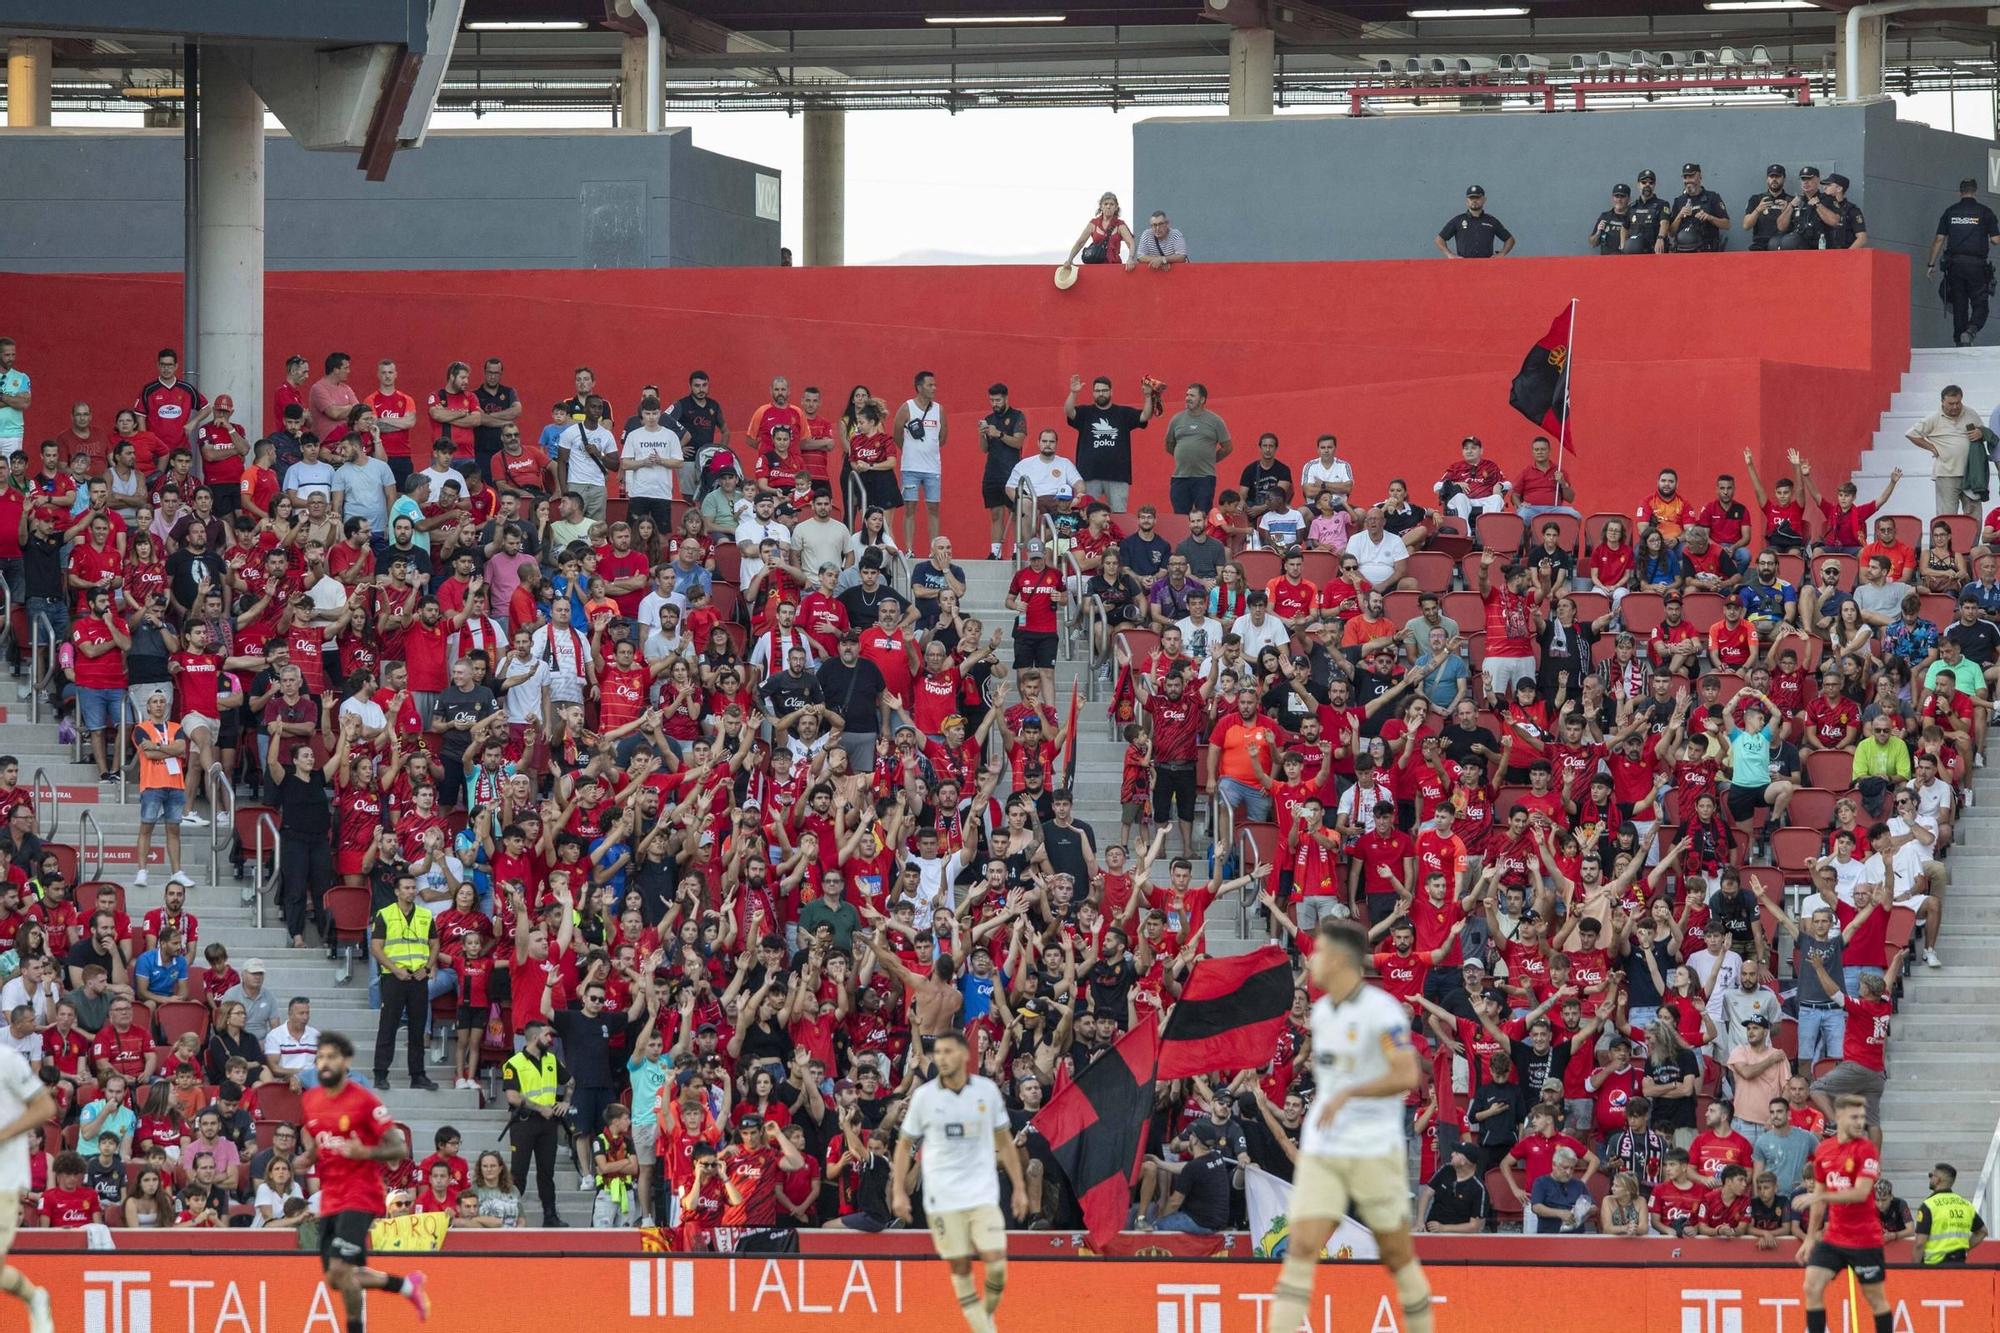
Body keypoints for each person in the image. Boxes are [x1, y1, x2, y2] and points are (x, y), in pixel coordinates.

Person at [1264, 919, 1433, 1333]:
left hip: (1374, 1147)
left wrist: (1349, 1094)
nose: (1311, 958)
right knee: (1301, 1246)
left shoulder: (1383, 1013)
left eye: (1319, 951)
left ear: (1339, 959)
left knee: (1396, 1253)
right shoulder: (1321, 1013)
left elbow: (1407, 1072)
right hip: (1326, 1148)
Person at [892, 1030, 1028, 1333]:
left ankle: (983, 1317)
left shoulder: (986, 1093)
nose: (942, 1058)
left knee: (996, 1267)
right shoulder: (925, 1097)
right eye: (938, 1053)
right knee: (961, 1266)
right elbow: (903, 1145)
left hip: (982, 1194)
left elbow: (1005, 1143)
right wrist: (899, 1191)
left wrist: (1019, 1187)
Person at [298, 1033, 432, 1329]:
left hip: (362, 1194)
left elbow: (398, 1147)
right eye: (320, 1057)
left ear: (346, 1061)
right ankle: (406, 1287)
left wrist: (365, 1151)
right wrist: (309, 1155)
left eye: (332, 1056)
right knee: (339, 1278)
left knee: (340, 1268)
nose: (325, 1062)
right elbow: (316, 1137)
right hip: (331, 1196)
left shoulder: (364, 1100)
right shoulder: (310, 1099)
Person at [1799, 1095, 1890, 1333]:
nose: (1860, 1122)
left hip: (1865, 1239)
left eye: (1862, 1117)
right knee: (1812, 1286)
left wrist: (1821, 1196)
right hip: (1834, 1237)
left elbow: (1860, 1193)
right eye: (1854, 1117)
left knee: (1875, 1298)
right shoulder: (1824, 1150)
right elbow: (1818, 1200)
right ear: (1838, 1116)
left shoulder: (1867, 1149)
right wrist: (1810, 1238)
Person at [0, 1043, 53, 1333]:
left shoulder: (7, 1060)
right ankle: (34, 1297)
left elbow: (45, 1106)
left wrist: (2, 1136)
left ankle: (34, 1298)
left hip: (3, 1180)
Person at [371, 873, 440, 1092]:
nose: (411, 891)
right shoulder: (385, 914)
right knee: (388, 1026)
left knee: (417, 1028)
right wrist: (394, 969)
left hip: (418, 977)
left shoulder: (425, 915)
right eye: (407, 888)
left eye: (413, 887)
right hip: (394, 977)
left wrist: (427, 968)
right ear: (397, 891)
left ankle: (418, 1075)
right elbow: (376, 947)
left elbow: (435, 944)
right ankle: (381, 1073)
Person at [503, 1018, 572, 1227]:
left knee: (546, 1172)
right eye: (547, 1035)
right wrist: (540, 1108)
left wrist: (566, 1102)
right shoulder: (514, 1063)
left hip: (548, 1124)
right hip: (524, 1122)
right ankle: (510, 1215)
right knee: (518, 1173)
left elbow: (570, 1081)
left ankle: (550, 1216)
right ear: (534, 1037)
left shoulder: (551, 1059)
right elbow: (512, 1097)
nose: (550, 1039)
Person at [1928, 179, 2000, 347]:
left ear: (1960, 192)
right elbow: (1995, 240)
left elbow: (1939, 239)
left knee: (1959, 304)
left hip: (1955, 266)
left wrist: (1931, 265)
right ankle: (1971, 330)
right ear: (1975, 191)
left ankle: (1960, 341)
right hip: (1977, 266)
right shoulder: (1985, 212)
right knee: (1980, 302)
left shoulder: (1950, 212)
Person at [1905, 384, 1988, 519]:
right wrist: (1931, 447)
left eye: (1958, 403)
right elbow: (1911, 434)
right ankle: (1947, 541)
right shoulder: (1934, 417)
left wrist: (1980, 433)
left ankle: (1972, 541)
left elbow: (1984, 432)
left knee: (1974, 514)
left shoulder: (1971, 413)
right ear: (1942, 401)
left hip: (1971, 473)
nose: (1955, 407)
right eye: (1951, 403)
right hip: (1946, 474)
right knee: (1947, 516)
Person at [892, 370, 946, 553]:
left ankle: (934, 550)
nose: (934, 388)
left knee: (934, 508)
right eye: (930, 385)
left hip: (932, 468)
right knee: (909, 508)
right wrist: (909, 450)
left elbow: (943, 437)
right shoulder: (907, 407)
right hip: (910, 467)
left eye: (934, 385)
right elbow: (897, 434)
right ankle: (909, 550)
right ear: (919, 387)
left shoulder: (939, 409)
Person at [1162, 382, 1230, 517]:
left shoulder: (1215, 421)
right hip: (1180, 477)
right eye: (1187, 395)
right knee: (1180, 518)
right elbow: (1169, 445)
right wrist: (1183, 456)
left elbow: (1227, 447)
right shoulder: (1176, 419)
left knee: (1203, 516)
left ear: (1202, 399)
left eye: (1192, 396)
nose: (1187, 398)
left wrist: (1210, 459)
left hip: (1204, 478)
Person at [977, 384, 1028, 559]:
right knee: (995, 513)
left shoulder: (1017, 416)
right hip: (992, 472)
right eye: (991, 400)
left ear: (1006, 398)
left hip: (1012, 472)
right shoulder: (989, 418)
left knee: (1015, 513)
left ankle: (1017, 551)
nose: (995, 403)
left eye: (998, 400)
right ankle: (995, 552)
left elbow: (1018, 442)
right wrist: (982, 434)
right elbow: (984, 449)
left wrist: (998, 434)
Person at [1912, 1162, 1987, 1264]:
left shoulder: (1928, 1206)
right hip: (1959, 1266)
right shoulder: (1965, 1205)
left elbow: (1920, 1244)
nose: (1930, 1178)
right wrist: (1964, 1249)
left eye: (1931, 1175)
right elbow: (1982, 1232)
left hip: (1934, 1268)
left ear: (1938, 1180)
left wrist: (1914, 1270)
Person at [1435, 184, 1513, 259]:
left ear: (1484, 199)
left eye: (1477, 198)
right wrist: (1449, 255)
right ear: (1467, 201)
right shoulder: (1458, 220)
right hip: (1463, 266)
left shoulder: (1492, 221)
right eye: (1471, 198)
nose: (1474, 200)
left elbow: (1510, 239)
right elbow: (1439, 239)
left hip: (1487, 266)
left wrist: (1502, 254)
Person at [1064, 192, 1136, 271]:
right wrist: (1070, 259)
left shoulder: (1120, 225)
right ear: (1101, 206)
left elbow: (1130, 243)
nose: (1108, 206)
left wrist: (1130, 258)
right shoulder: (1093, 224)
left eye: (1112, 204)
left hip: (1114, 267)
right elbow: (1080, 242)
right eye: (1105, 204)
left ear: (1116, 207)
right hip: (1095, 267)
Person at [1743, 165, 1794, 251]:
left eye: (1777, 176)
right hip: (1760, 245)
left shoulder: (1791, 201)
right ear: (1767, 179)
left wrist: (1787, 210)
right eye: (1771, 176)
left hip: (1783, 245)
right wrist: (1758, 210)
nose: (1774, 179)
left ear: (1784, 179)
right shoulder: (1756, 199)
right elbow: (1746, 226)